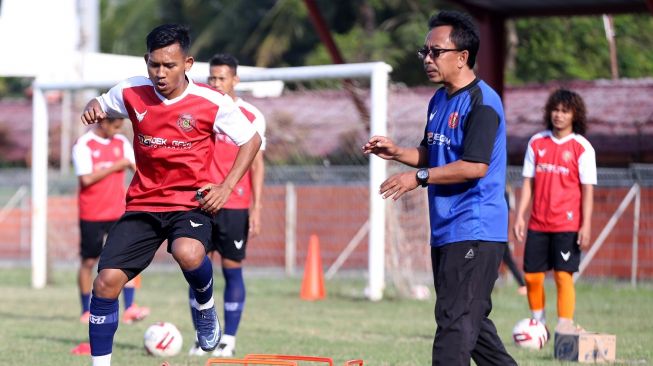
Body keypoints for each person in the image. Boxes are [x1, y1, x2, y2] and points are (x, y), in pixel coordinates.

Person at [80, 24, 261, 366]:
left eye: (170, 65)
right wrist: (94, 104)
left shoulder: (211, 101)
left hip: (188, 202)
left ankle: (206, 307)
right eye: (154, 65)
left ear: (188, 63)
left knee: (189, 252)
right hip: (143, 204)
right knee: (105, 283)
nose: (161, 74)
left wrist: (224, 187)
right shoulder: (131, 91)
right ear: (146, 61)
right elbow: (102, 104)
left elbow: (250, 140)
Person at [362, 10, 517, 366]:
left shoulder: (484, 102)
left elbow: (475, 166)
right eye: (425, 52)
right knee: (470, 325)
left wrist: (417, 178)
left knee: (454, 326)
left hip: (475, 229)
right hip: (447, 230)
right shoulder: (440, 100)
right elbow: (434, 153)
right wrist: (398, 152)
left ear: (462, 57)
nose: (427, 59)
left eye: (436, 52)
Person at [187, 53, 267, 357]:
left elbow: (257, 165)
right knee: (196, 269)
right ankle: (202, 335)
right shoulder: (201, 107)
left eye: (222, 78)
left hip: (234, 204)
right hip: (201, 202)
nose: (216, 83)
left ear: (235, 79)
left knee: (232, 270)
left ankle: (228, 339)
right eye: (212, 77)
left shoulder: (252, 115)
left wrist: (256, 208)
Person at [513, 88, 596, 334]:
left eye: (565, 111)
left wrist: (586, 224)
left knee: (563, 276)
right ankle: (538, 323)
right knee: (532, 277)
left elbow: (587, 189)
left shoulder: (582, 148)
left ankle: (564, 327)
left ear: (574, 115)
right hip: (538, 222)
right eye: (555, 110)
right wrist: (519, 215)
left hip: (567, 225)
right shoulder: (537, 142)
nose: (558, 115)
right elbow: (528, 182)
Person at [69, 117, 150, 356]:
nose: (117, 130)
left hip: (119, 212)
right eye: (114, 125)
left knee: (126, 260)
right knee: (89, 262)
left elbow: (137, 169)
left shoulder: (122, 143)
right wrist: (117, 165)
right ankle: (86, 310)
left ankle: (130, 307)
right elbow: (86, 178)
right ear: (102, 122)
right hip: (92, 213)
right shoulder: (84, 144)